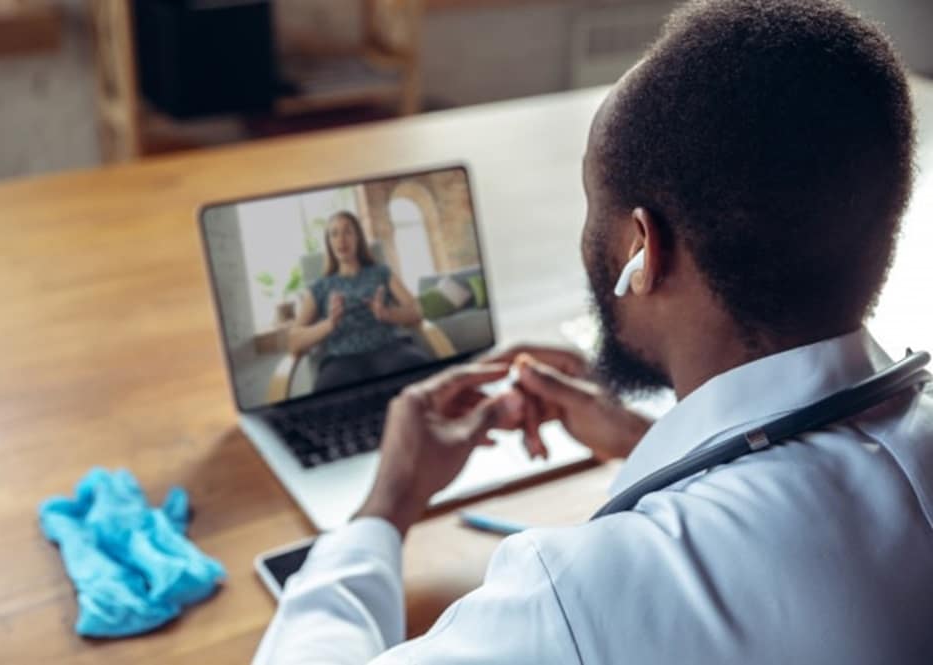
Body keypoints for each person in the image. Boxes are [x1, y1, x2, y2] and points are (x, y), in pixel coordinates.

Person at [254, 1, 933, 662]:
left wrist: (385, 504)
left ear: (643, 249)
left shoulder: (579, 598)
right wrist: (648, 444)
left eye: (591, 202)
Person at [287, 210, 432, 392]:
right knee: (330, 389)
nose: (341, 239)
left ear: (358, 238)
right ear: (329, 243)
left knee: (415, 367)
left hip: (389, 348)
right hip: (342, 360)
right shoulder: (320, 287)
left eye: (348, 231)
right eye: (334, 233)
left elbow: (417, 310)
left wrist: (387, 314)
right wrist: (329, 324)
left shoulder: (381, 273)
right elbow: (294, 340)